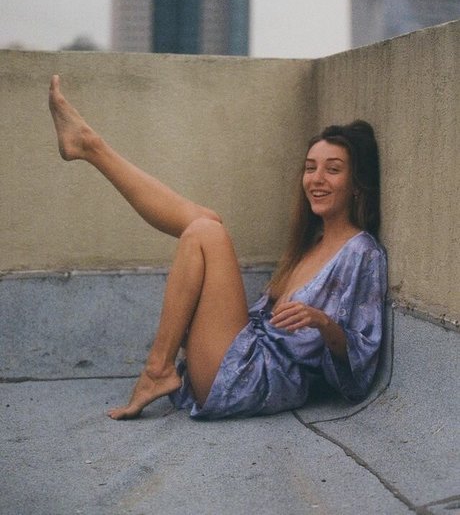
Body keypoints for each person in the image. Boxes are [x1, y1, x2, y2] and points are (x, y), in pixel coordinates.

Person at [48, 75, 387, 420]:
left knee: (206, 231)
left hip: (255, 379)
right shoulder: (311, 243)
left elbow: (362, 360)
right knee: (205, 223)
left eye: (333, 170)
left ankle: (157, 370)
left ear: (356, 184)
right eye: (310, 168)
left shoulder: (361, 252)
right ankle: (91, 147)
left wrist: (322, 322)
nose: (316, 179)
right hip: (242, 353)